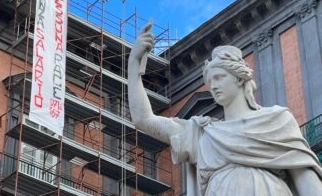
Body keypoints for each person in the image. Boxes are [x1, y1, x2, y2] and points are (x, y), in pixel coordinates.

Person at [128, 24, 322, 196]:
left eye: (219, 77)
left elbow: (305, 179)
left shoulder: (277, 120)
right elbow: (143, 119)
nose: (213, 86)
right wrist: (134, 64)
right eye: (210, 82)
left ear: (239, 78)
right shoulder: (202, 134)